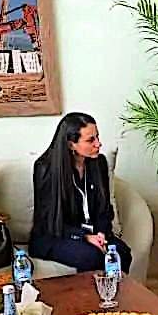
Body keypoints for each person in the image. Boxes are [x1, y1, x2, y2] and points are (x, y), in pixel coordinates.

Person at [30, 112, 131, 274]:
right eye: (91, 140)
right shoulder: (46, 169)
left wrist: (101, 234)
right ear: (71, 145)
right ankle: (89, 292)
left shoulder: (99, 163)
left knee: (122, 253)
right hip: (56, 235)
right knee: (91, 256)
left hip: (94, 232)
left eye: (97, 137)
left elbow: (105, 208)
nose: (98, 144)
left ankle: (116, 290)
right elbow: (49, 220)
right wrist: (85, 236)